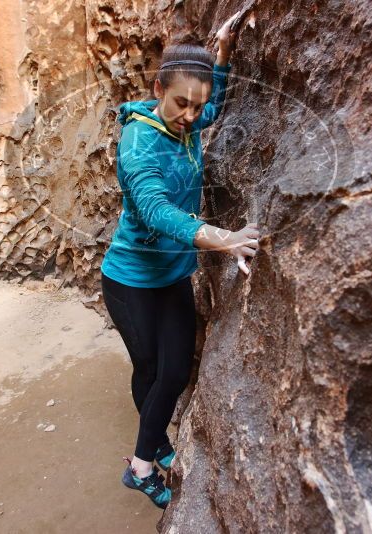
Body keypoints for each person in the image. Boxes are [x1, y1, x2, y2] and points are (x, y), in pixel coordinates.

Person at [100, 11, 260, 510]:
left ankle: (151, 448)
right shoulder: (139, 139)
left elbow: (211, 112)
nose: (191, 115)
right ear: (157, 88)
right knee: (149, 369)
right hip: (129, 279)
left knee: (174, 373)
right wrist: (224, 238)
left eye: (197, 104)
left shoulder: (188, 120)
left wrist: (223, 56)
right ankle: (143, 465)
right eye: (181, 103)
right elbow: (155, 209)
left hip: (172, 274)